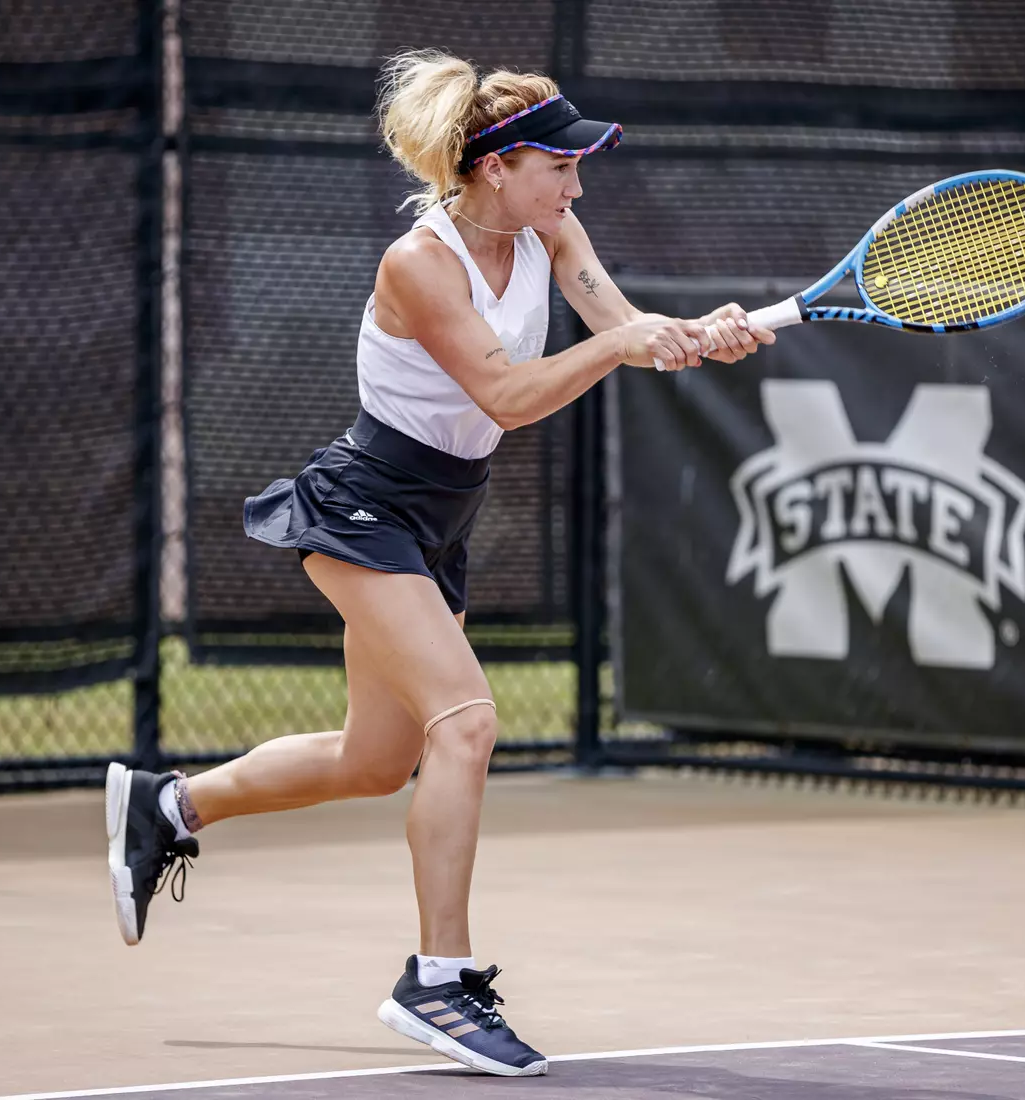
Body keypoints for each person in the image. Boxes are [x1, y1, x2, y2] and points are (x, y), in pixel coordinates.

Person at [102, 48, 774, 1077]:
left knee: (375, 761)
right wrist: (626, 346)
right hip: (364, 503)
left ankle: (167, 805)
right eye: (560, 166)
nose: (576, 186)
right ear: (496, 167)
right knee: (466, 723)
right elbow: (507, 395)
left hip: (440, 517)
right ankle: (439, 981)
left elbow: (619, 322)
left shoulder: (549, 229)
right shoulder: (418, 263)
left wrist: (695, 333)